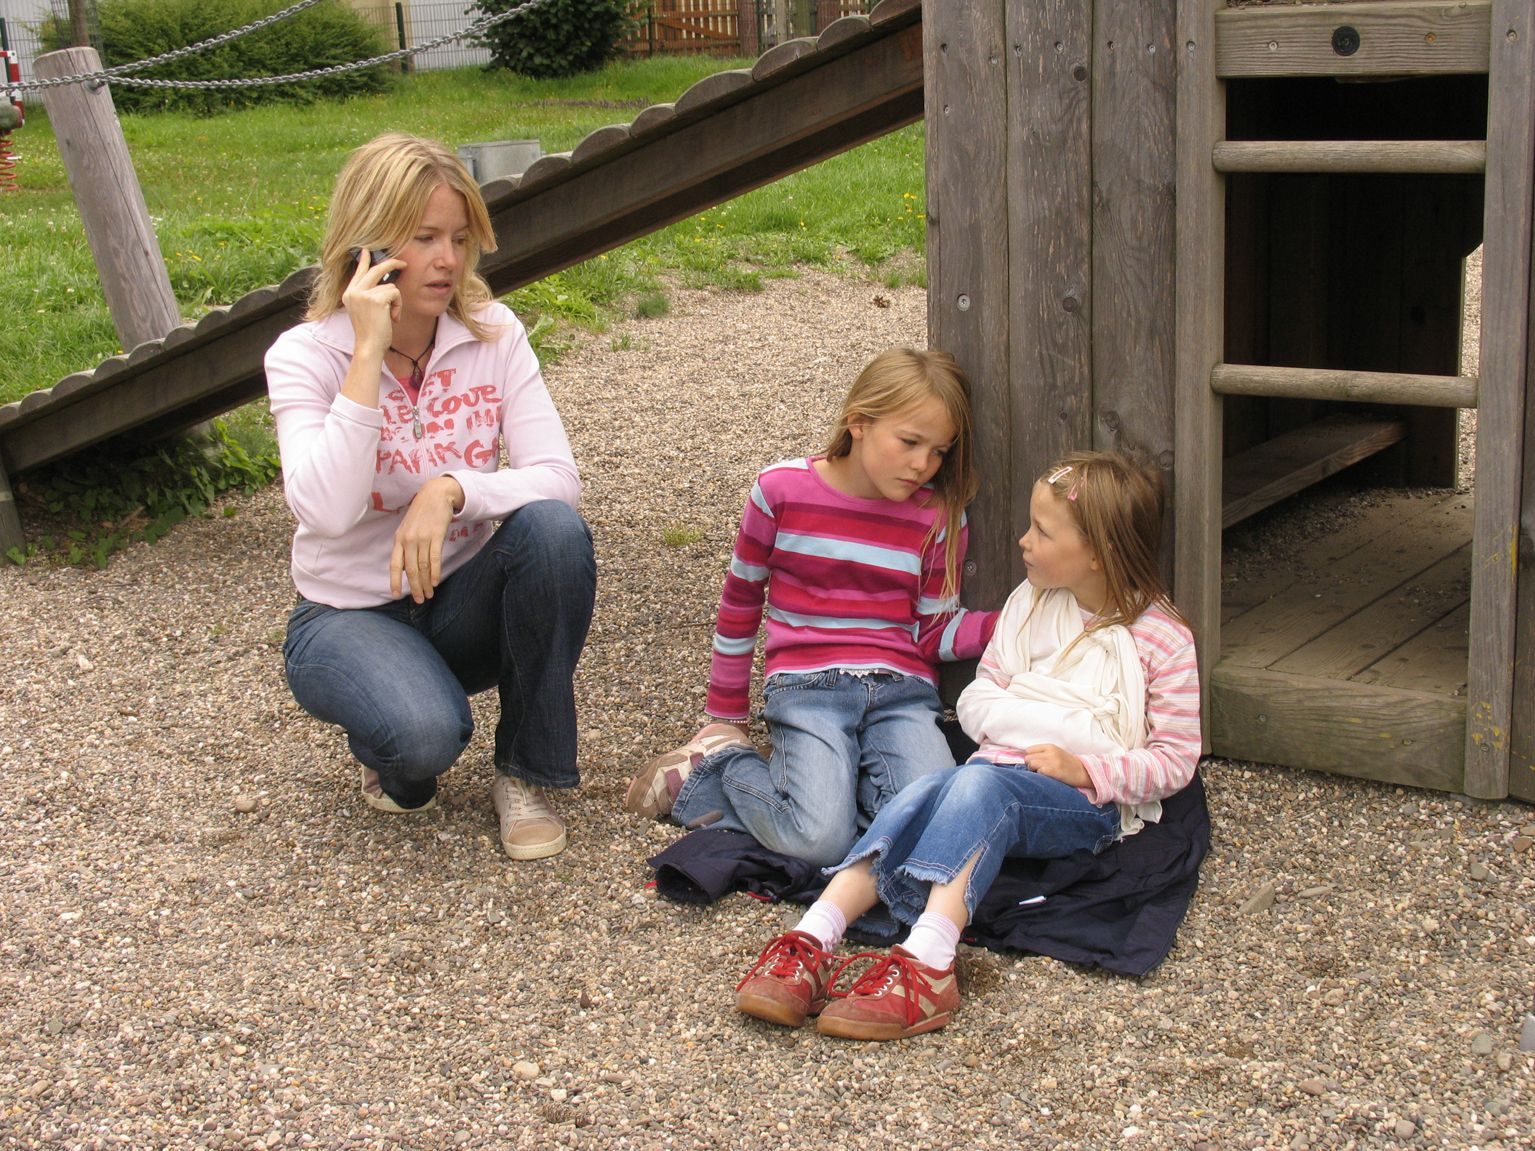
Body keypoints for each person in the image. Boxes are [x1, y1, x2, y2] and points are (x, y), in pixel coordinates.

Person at [735, 450, 1202, 1040]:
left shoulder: (1161, 638)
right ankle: (813, 935)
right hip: (992, 774)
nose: (1023, 540)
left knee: (978, 782)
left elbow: (1176, 759)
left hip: (1085, 803)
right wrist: (1063, 723)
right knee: (928, 788)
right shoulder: (1028, 605)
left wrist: (1086, 767)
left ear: (1099, 552)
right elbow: (980, 706)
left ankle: (930, 962)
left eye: (1043, 531)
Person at [264, 133, 595, 860]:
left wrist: (451, 489)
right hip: (345, 615)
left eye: (457, 237)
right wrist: (366, 354)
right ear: (368, 248)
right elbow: (321, 509)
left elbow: (557, 476)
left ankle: (523, 775)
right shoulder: (303, 357)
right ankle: (390, 739)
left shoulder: (492, 332)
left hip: (458, 600)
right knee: (421, 741)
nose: (448, 259)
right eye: (423, 238)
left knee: (552, 531)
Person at [623, 347, 997, 866]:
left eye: (939, 451)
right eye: (910, 442)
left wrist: (1015, 625)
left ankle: (832, 798)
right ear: (858, 421)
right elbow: (740, 604)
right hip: (808, 689)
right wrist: (727, 716)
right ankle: (711, 773)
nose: (922, 465)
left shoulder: (938, 515)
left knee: (921, 831)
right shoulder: (779, 492)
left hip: (903, 695)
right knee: (820, 841)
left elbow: (933, 631)